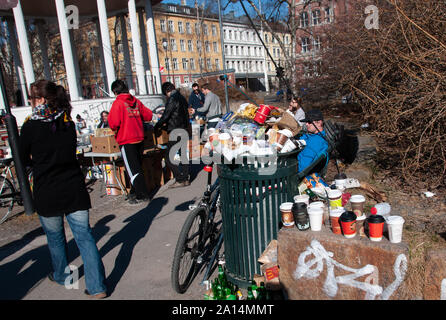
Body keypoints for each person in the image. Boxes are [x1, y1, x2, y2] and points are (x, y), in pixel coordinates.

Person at [19, 80, 107, 299]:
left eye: (31, 99)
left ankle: (61, 274)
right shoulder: (66, 122)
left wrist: (37, 160)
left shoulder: (30, 125)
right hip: (73, 186)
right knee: (84, 237)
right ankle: (97, 287)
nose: (30, 103)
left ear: (39, 99)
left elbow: (22, 158)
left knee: (55, 238)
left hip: (47, 190)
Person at [107, 79, 153, 204]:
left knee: (133, 169)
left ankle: (142, 195)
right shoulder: (136, 101)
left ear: (115, 92)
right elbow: (149, 115)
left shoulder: (118, 103)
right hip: (139, 137)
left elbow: (113, 123)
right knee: (137, 166)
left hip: (127, 139)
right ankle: (134, 192)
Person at [155, 82, 190, 188]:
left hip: (176, 130)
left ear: (166, 91)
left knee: (169, 157)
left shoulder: (172, 99)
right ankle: (186, 178)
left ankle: (179, 179)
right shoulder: (182, 98)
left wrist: (157, 126)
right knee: (183, 155)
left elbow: (166, 115)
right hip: (184, 128)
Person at [297, 109, 329, 173]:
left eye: (309, 122)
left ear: (319, 123)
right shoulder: (314, 136)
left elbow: (303, 168)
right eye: (306, 122)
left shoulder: (315, 142)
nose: (306, 124)